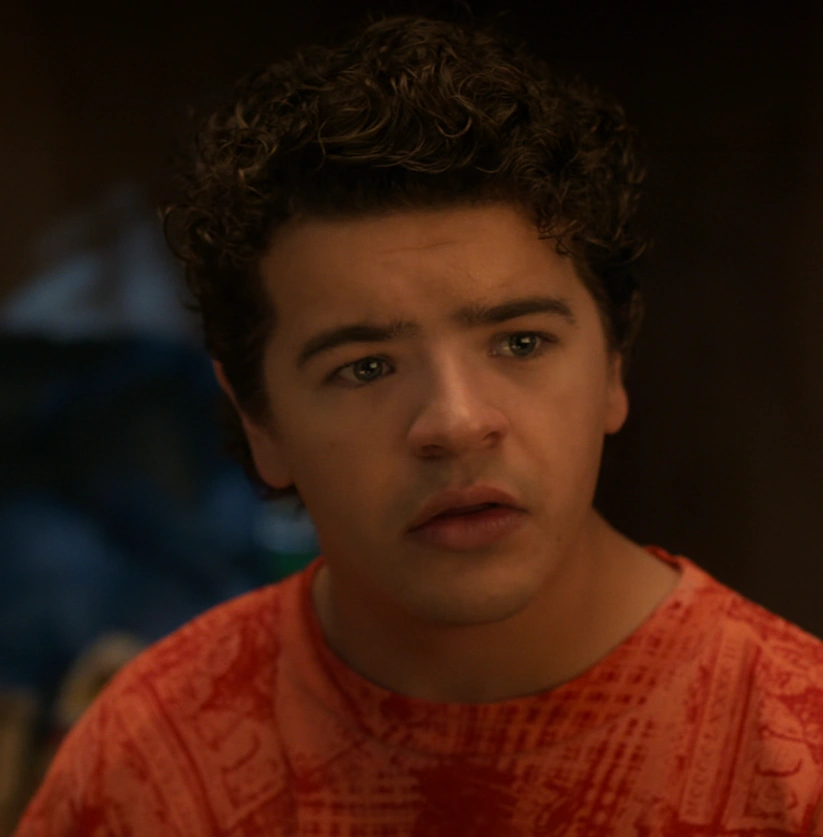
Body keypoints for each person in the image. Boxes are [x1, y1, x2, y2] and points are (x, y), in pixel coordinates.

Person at [15, 12, 823, 837]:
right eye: (364, 367)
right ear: (259, 419)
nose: (456, 422)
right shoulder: (150, 763)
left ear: (612, 365)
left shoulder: (797, 761)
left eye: (520, 342)